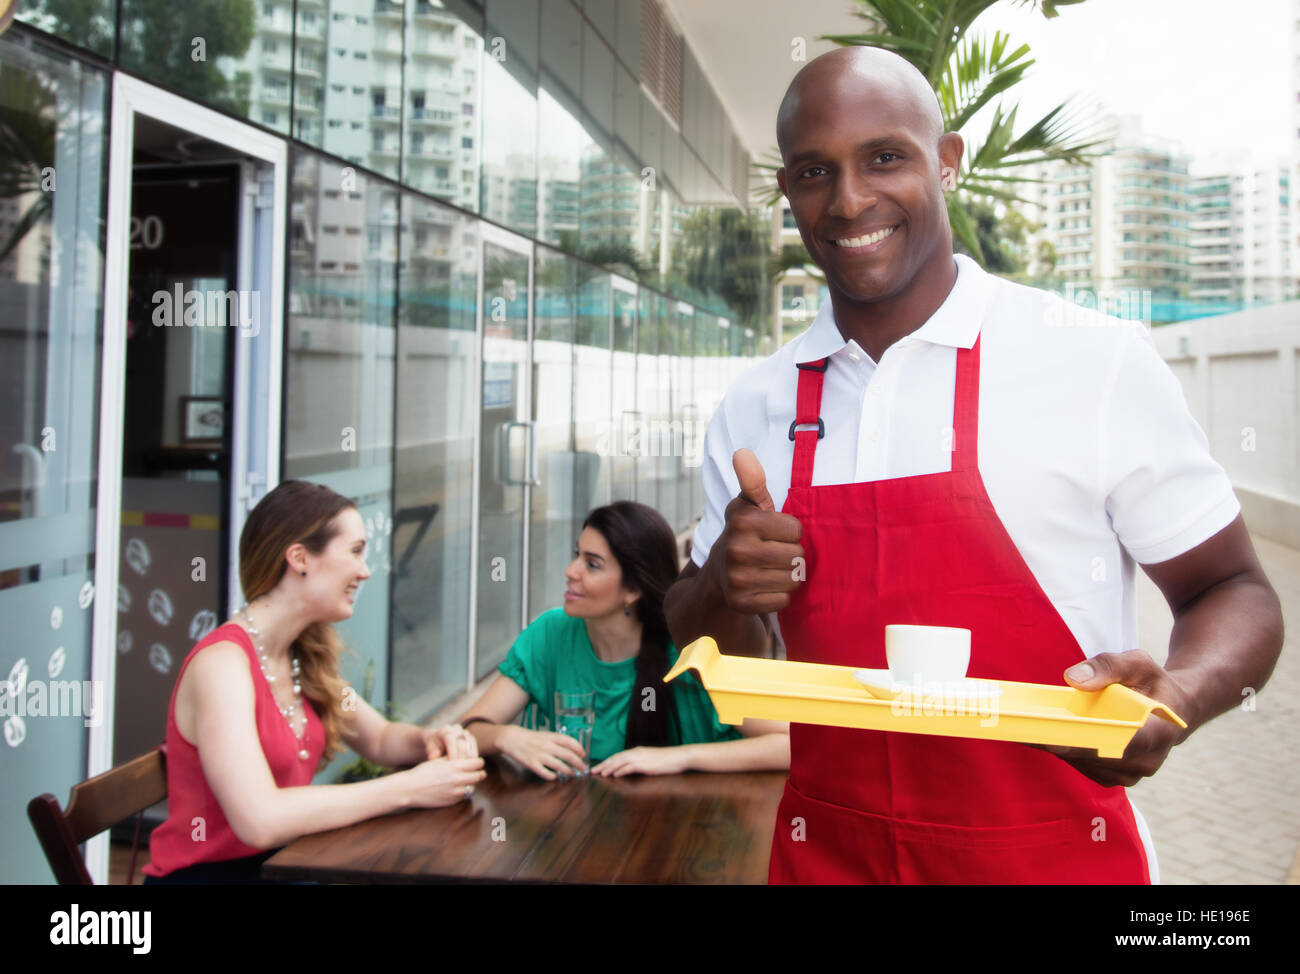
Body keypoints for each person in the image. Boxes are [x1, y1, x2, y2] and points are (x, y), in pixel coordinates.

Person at [664, 46, 1284, 884]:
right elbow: (714, 644)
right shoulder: (755, 405)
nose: (850, 201)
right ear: (788, 193)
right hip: (825, 861)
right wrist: (718, 588)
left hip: (1057, 859)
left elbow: (1235, 588)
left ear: (948, 162)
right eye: (815, 172)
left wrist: (1179, 697)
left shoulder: (1089, 363)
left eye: (886, 157)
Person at [143, 480, 485, 883]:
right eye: (356, 551)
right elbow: (259, 821)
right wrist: (409, 788)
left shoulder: (299, 654)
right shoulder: (223, 665)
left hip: (287, 864)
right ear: (300, 558)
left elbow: (378, 738)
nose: (365, 570)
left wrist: (429, 741)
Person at [460, 501, 789, 778]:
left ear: (634, 589)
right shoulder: (550, 633)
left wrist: (681, 757)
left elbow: (793, 744)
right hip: (579, 831)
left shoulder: (694, 648)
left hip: (694, 833)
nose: (570, 571)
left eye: (592, 564)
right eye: (577, 555)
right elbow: (466, 732)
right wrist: (507, 737)